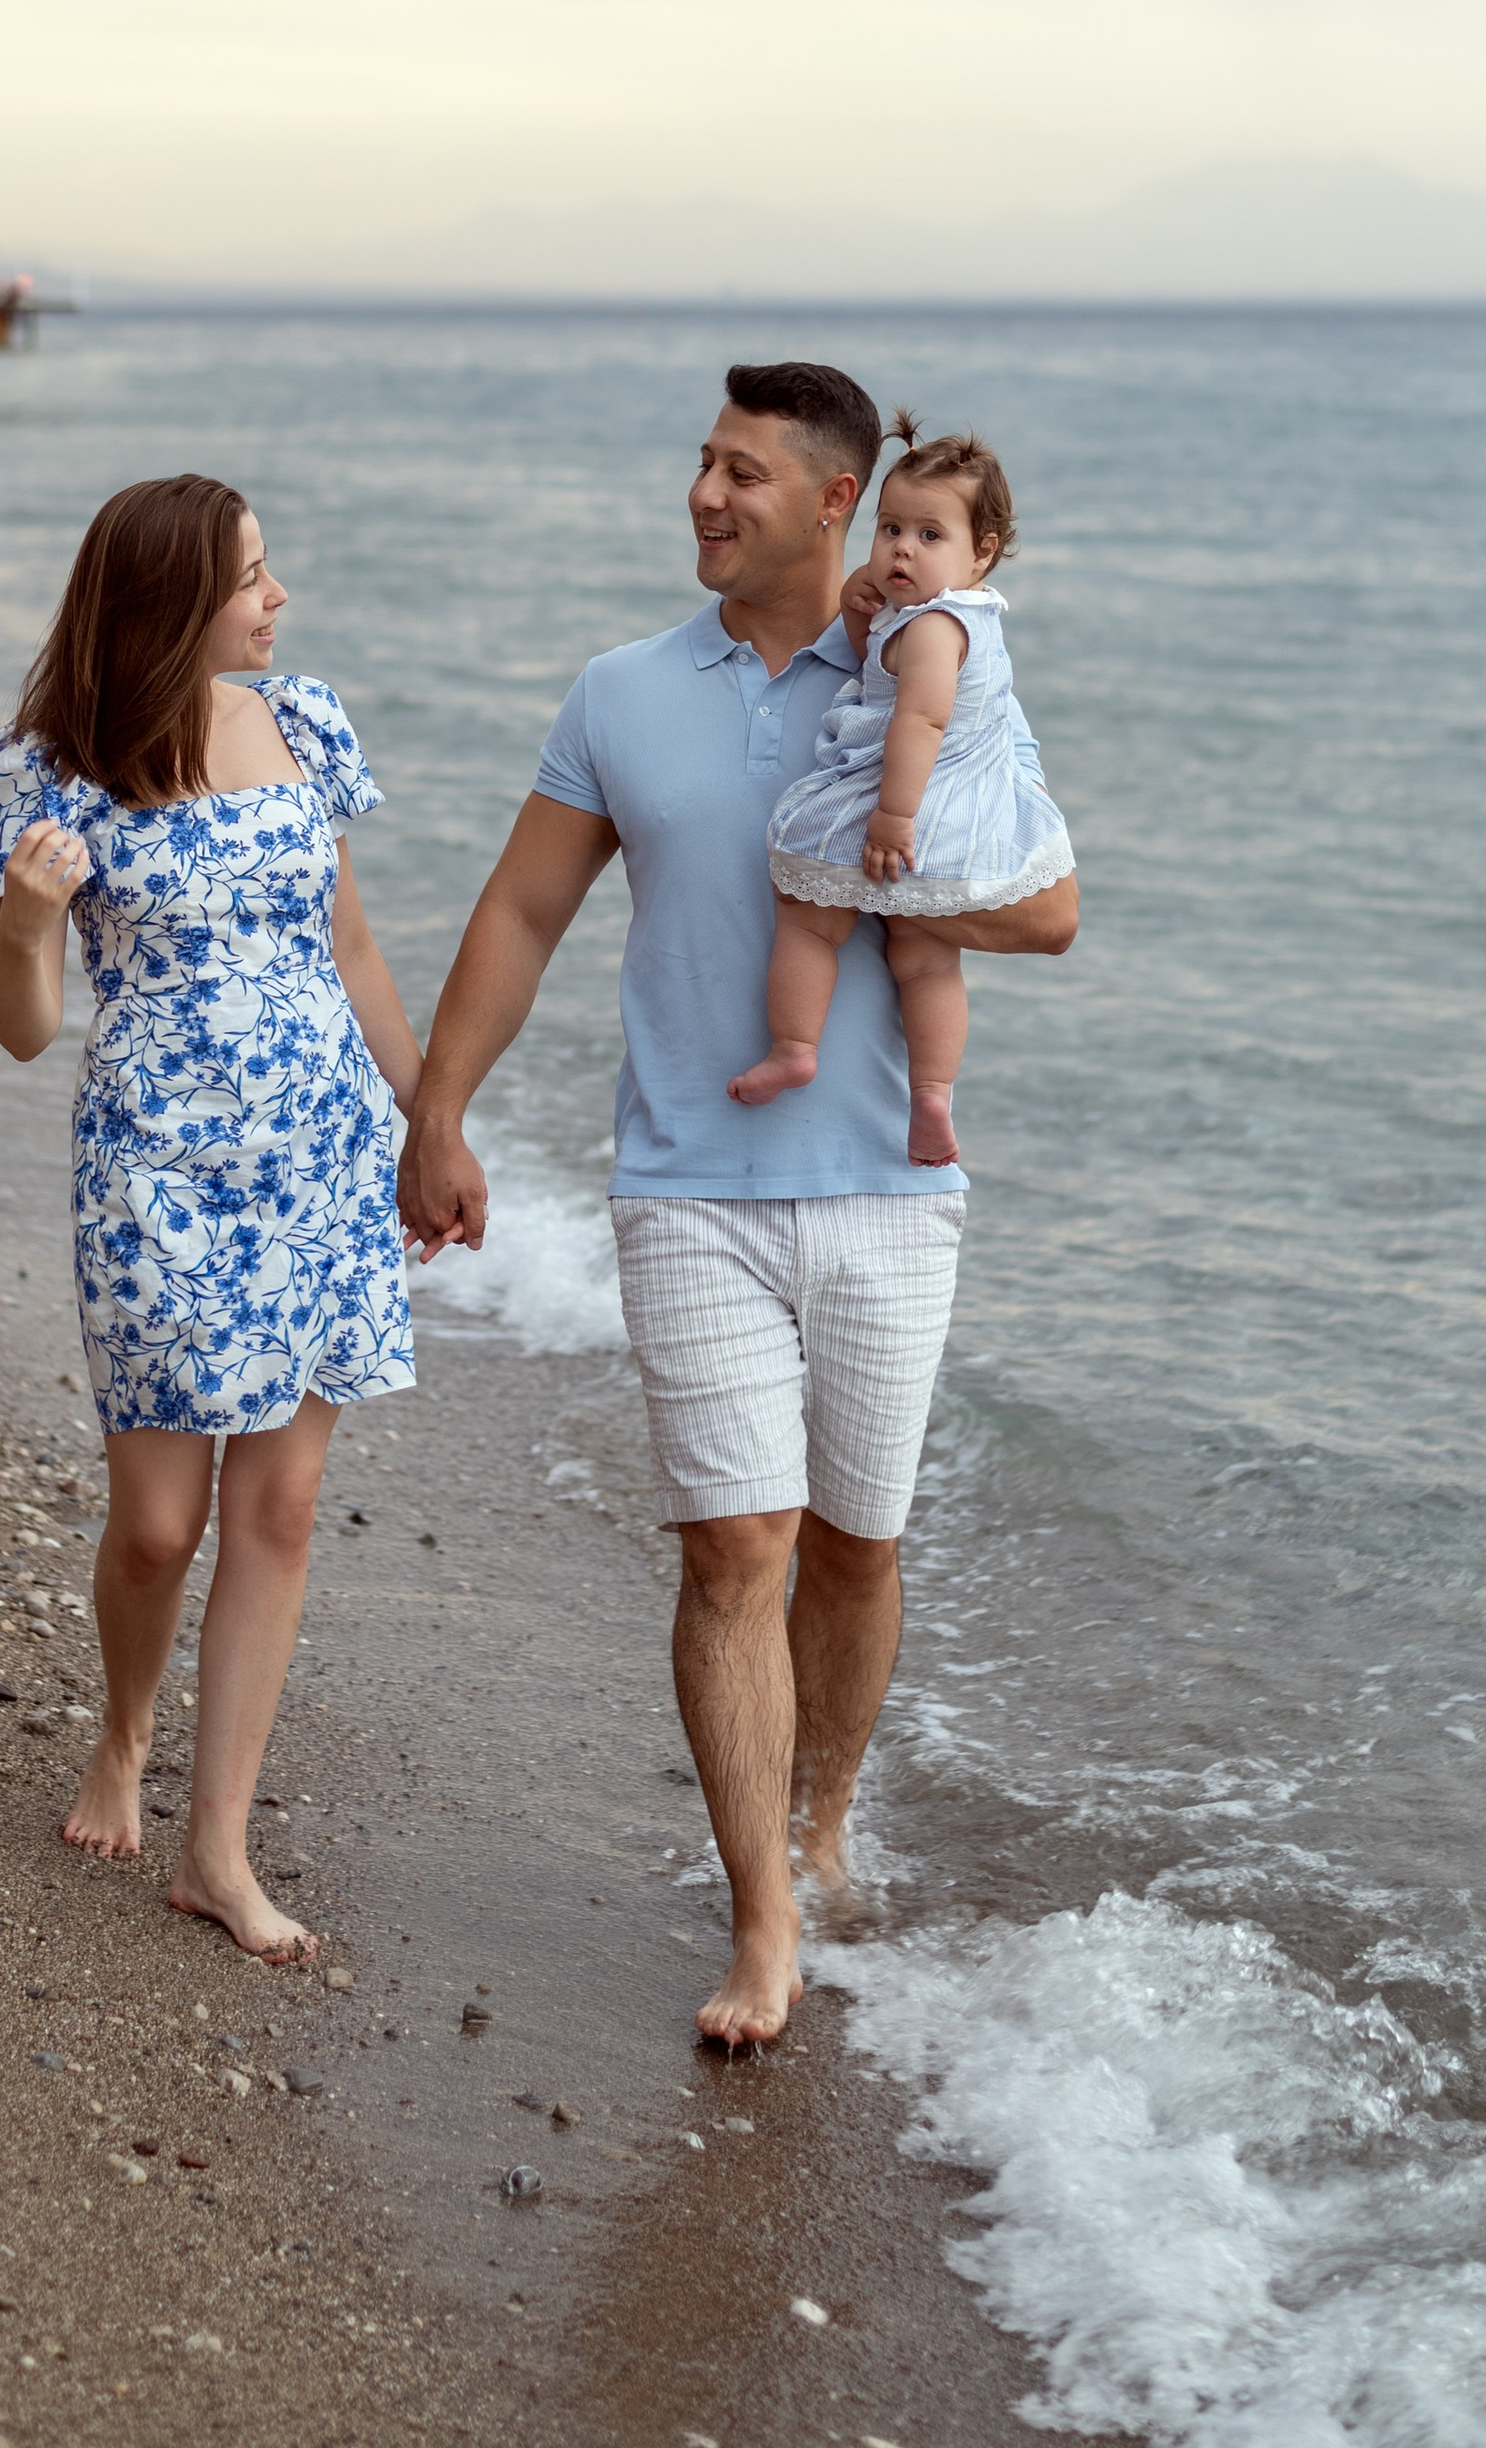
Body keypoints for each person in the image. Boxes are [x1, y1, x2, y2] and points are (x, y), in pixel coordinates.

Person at [397, 364, 1078, 2048]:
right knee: (736, 1552)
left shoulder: (941, 660)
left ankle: (823, 1815)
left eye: (742, 474)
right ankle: (760, 1920)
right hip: (687, 1184)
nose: (704, 497)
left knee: (856, 1551)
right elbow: (522, 911)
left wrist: (875, 880)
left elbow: (1052, 909)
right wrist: (440, 1110)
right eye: (700, 466)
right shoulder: (624, 691)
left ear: (837, 500)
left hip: (895, 1193)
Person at [0, 474, 420, 1962]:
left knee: (277, 1506)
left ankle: (218, 1848)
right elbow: (26, 1028)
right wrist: (30, 924)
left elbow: (348, 939)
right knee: (160, 1526)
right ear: (170, 601)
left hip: (324, 1145)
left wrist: (436, 1117)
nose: (279, 599)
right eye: (254, 578)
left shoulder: (304, 720)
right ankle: (124, 1730)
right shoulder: (47, 773)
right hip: (156, 1161)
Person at [730, 418, 1070, 1167]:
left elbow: (915, 717)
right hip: (959, 826)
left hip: (909, 809)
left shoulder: (932, 629)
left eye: (929, 535)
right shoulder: (944, 618)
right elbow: (879, 676)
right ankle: (933, 1094)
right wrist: (865, 611)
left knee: (808, 915)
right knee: (926, 957)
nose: (902, 550)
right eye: (889, 529)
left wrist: (890, 815)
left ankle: (793, 1045)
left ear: (982, 554)